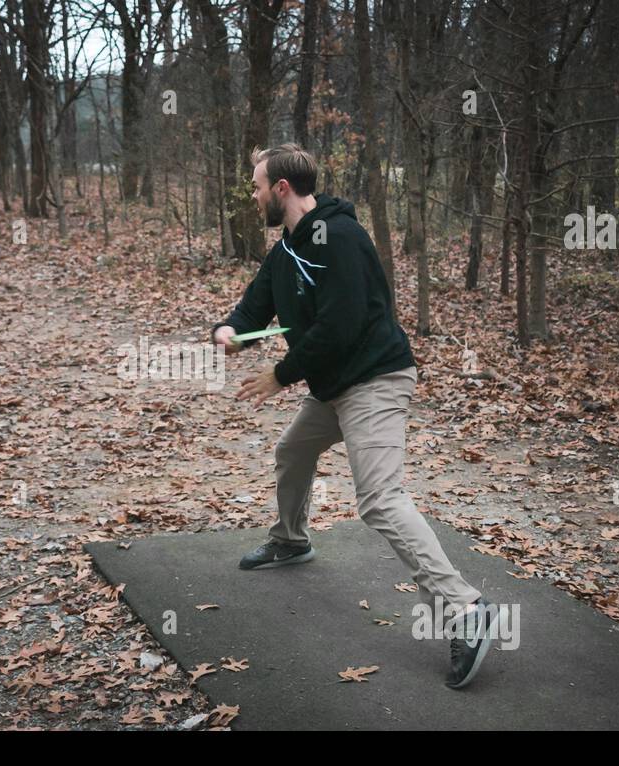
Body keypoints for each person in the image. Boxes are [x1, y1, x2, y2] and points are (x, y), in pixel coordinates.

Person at [210, 143, 496, 689]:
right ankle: (291, 540)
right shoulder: (287, 247)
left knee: (380, 499)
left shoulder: (339, 238)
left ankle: (465, 609)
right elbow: (255, 305)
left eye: (256, 185)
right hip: (336, 383)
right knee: (292, 451)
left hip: (376, 380)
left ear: (282, 189)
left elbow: (339, 326)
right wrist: (231, 330)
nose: (253, 195)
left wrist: (279, 375)